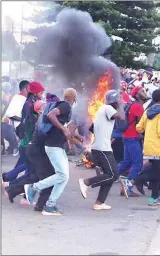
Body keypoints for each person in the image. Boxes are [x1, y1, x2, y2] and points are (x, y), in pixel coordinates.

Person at [24, 88, 77, 216]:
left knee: (64, 177)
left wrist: (72, 135)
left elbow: (58, 124)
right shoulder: (65, 105)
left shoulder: (63, 107)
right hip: (53, 146)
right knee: (62, 175)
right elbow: (51, 115)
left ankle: (50, 205)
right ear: (74, 98)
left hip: (56, 145)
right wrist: (64, 130)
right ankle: (34, 187)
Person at [78, 90, 124, 210]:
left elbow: (92, 128)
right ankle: (86, 182)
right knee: (113, 174)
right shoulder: (108, 108)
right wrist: (122, 105)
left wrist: (105, 136)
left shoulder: (101, 110)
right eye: (118, 99)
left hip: (100, 147)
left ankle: (99, 203)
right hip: (103, 149)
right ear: (115, 101)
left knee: (108, 175)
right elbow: (122, 118)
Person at [118, 86, 147, 198]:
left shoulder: (132, 105)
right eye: (142, 91)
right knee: (138, 163)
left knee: (127, 162)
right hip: (133, 137)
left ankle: (107, 174)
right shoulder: (138, 107)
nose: (144, 92)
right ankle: (127, 187)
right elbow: (141, 125)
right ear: (137, 95)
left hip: (127, 136)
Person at [1, 80, 29, 156]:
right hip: (6, 118)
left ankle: (15, 147)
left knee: (8, 134)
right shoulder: (7, 96)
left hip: (9, 119)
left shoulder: (13, 96)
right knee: (5, 134)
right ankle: (12, 147)